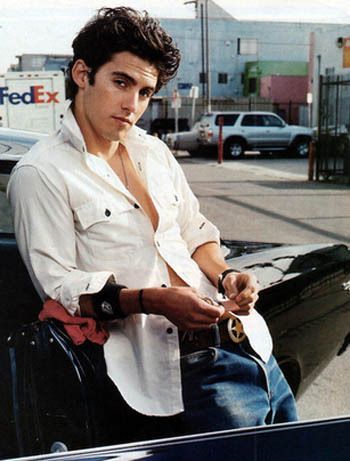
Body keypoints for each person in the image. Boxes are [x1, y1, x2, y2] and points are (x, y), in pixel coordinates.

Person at [7, 6, 297, 445]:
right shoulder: (42, 173)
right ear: (83, 74)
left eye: (145, 92)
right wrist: (154, 301)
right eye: (121, 83)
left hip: (252, 345)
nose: (133, 105)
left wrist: (227, 274)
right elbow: (60, 287)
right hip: (187, 374)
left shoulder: (154, 153)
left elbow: (194, 231)